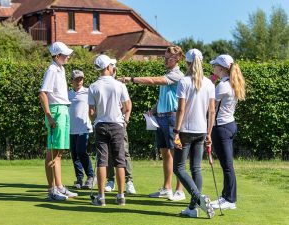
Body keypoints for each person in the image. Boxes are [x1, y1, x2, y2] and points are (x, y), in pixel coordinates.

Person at [120, 46, 185, 201]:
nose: (165, 60)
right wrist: (154, 109)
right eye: (164, 57)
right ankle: (167, 188)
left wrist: (132, 79)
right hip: (161, 117)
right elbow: (166, 97)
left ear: (176, 59)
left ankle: (179, 190)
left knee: (176, 154)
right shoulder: (168, 73)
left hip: (172, 118)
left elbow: (154, 81)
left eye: (168, 58)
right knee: (165, 153)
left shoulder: (177, 74)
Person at [173, 49, 215, 218]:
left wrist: (176, 131)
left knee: (178, 168)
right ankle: (192, 209)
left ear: (187, 63)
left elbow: (181, 109)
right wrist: (209, 133)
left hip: (186, 131)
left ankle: (198, 198)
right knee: (196, 168)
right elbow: (212, 111)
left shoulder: (184, 82)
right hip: (202, 131)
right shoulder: (210, 84)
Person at [88, 54, 131, 206]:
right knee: (120, 161)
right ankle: (120, 196)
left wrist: (94, 122)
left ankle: (101, 197)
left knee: (102, 161)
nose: (113, 68)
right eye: (112, 66)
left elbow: (91, 112)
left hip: (101, 125)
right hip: (117, 125)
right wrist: (125, 120)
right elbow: (127, 106)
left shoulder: (93, 87)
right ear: (108, 67)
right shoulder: (119, 85)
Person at [39, 41, 78, 201]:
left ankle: (60, 187)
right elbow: (43, 93)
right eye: (65, 54)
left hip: (63, 109)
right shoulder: (52, 70)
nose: (68, 56)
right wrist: (49, 115)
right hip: (56, 111)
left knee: (59, 152)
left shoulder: (60, 69)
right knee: (53, 151)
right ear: (56, 55)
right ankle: (51, 190)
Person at [209, 54, 246, 210]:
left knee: (227, 165)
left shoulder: (223, 85)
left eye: (215, 65)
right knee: (227, 164)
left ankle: (229, 199)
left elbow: (211, 107)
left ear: (222, 68)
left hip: (221, 128)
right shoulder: (230, 83)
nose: (213, 68)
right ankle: (227, 196)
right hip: (229, 125)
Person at [68, 70, 96, 189]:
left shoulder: (88, 92)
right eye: (76, 79)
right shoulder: (67, 94)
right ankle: (79, 178)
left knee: (81, 151)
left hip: (84, 127)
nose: (79, 81)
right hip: (71, 128)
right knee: (74, 154)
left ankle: (90, 176)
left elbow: (94, 107)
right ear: (71, 81)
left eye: (81, 79)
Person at [105, 117, 136, 194]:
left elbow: (128, 106)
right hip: (106, 124)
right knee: (109, 153)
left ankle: (129, 181)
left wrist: (126, 120)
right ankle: (110, 181)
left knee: (124, 153)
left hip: (119, 124)